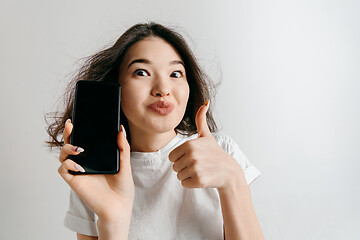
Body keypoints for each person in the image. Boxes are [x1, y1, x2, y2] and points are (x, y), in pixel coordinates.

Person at [46, 22, 264, 240]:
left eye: (175, 73)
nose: (163, 89)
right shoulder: (93, 173)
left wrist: (232, 179)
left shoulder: (222, 152)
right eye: (142, 72)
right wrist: (114, 222)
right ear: (115, 88)